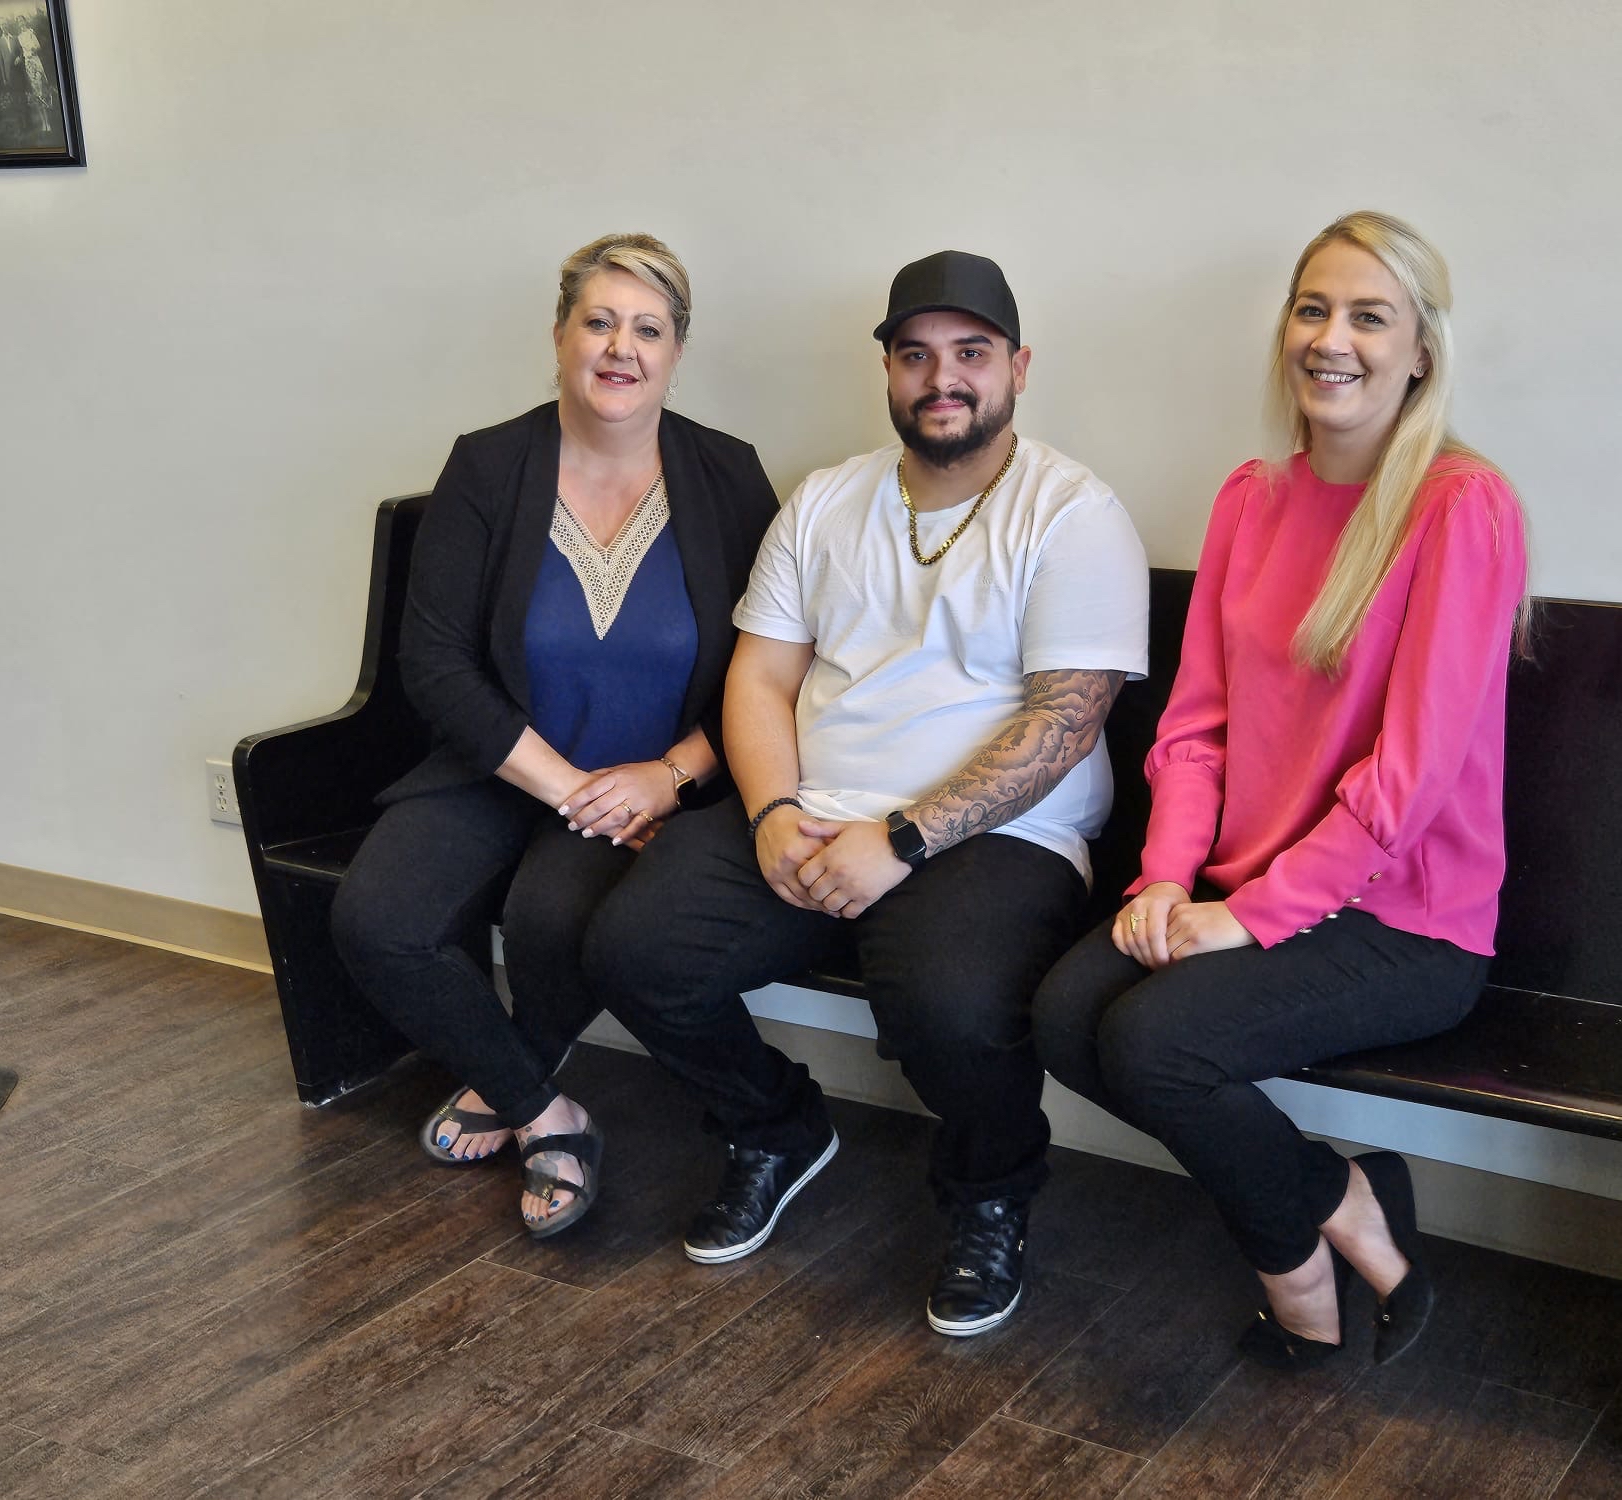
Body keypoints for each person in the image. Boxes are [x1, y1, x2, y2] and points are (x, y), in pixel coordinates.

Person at [585, 251, 1150, 1336]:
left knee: (950, 1004)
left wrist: (899, 838)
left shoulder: (1072, 511)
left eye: (970, 354)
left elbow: (1065, 718)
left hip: (1001, 835)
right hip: (811, 807)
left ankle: (989, 1196)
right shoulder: (826, 500)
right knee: (634, 948)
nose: (943, 378)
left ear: (1016, 368)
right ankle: (776, 1126)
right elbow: (759, 675)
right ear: (887, 372)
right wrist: (768, 814)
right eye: (915, 356)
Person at [1033, 211, 1530, 1369]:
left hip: (1400, 920)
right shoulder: (1250, 498)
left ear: (1419, 350)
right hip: (1241, 887)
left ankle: (1296, 1269)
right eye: (1312, 309)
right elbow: (1194, 726)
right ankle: (1336, 1201)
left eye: (1369, 315)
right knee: (1063, 1017)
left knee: (1155, 1045)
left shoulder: (1460, 507)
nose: (1332, 339)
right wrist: (1163, 880)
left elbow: (1401, 784)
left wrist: (1242, 917)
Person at [330, 233, 779, 1237]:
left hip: (654, 786)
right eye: (599, 321)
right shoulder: (488, 466)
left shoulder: (728, 477)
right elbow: (435, 663)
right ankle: (544, 1106)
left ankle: (507, 1078)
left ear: (676, 350)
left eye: (647, 329)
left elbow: (770, 665)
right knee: (376, 919)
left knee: (550, 921)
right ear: (560, 334)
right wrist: (574, 789)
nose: (620, 347)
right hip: (503, 765)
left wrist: (670, 777)